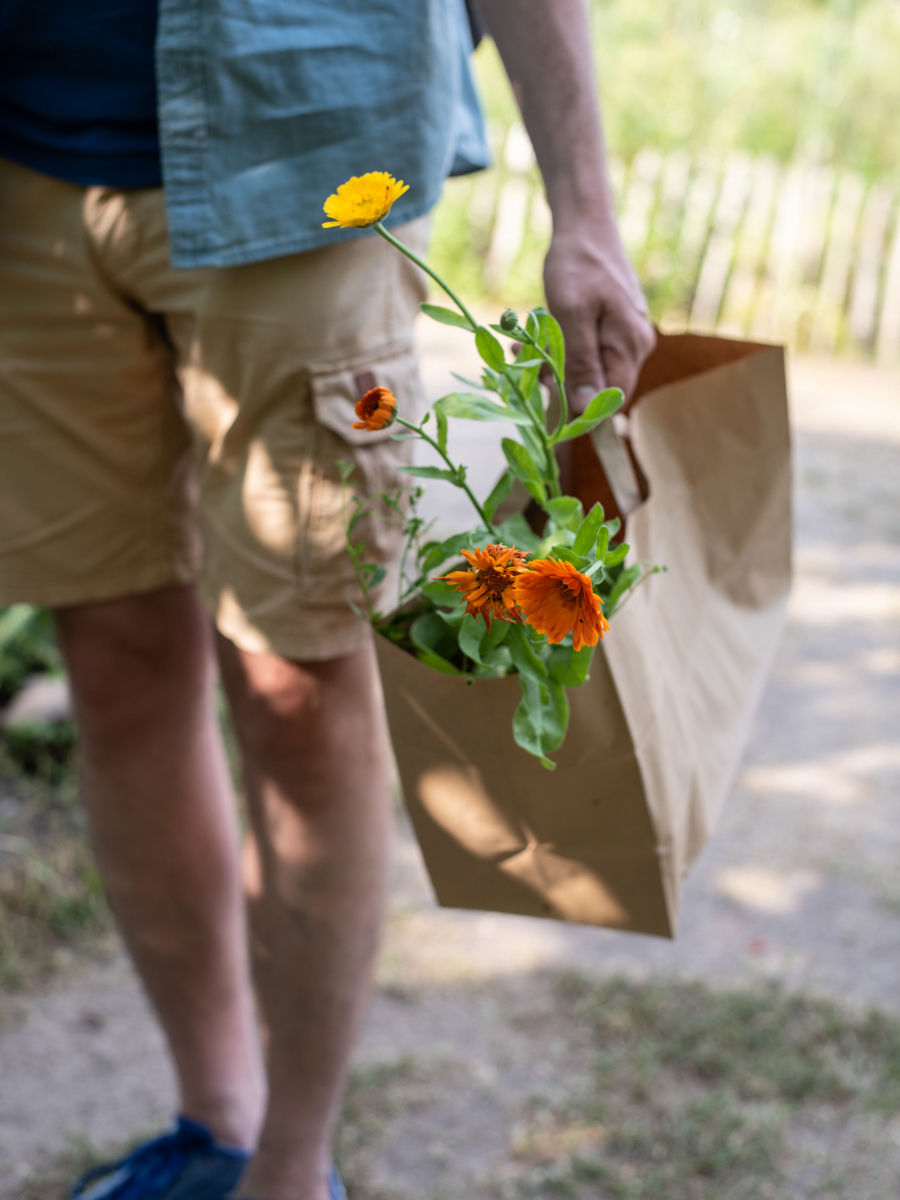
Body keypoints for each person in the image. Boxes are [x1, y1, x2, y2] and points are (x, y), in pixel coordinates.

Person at [0, 1, 654, 1197]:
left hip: (307, 144)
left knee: (302, 687)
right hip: (27, 159)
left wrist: (586, 209)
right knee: (113, 664)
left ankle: (294, 1171)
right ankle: (216, 1126)